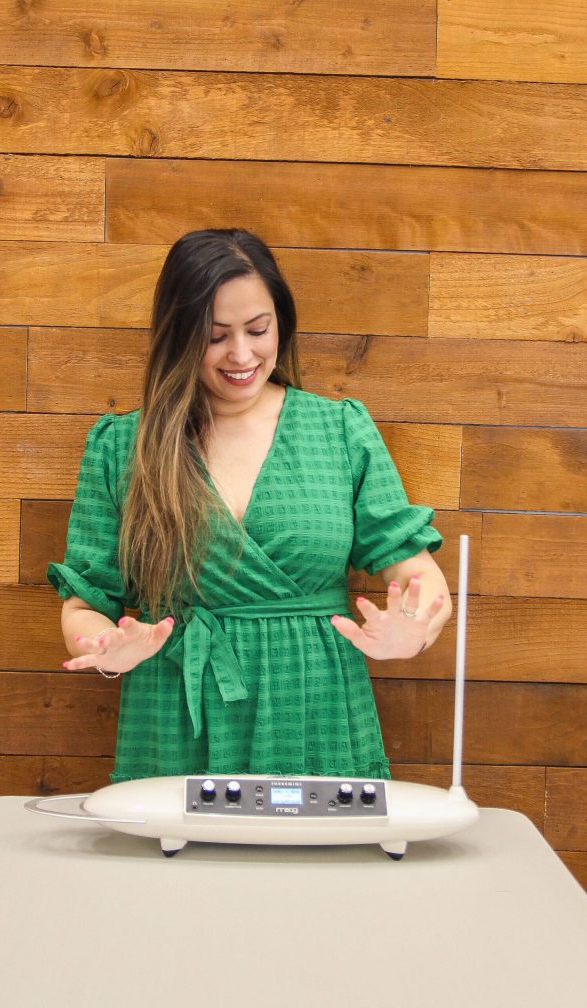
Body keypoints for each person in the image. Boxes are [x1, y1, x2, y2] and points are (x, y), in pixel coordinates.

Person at [48, 228, 451, 784]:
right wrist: (107, 646)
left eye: (258, 330)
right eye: (215, 337)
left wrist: (412, 630)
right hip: (172, 717)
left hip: (315, 714)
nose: (242, 355)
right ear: (178, 336)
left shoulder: (340, 430)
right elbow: (83, 605)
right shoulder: (122, 447)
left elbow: (417, 574)